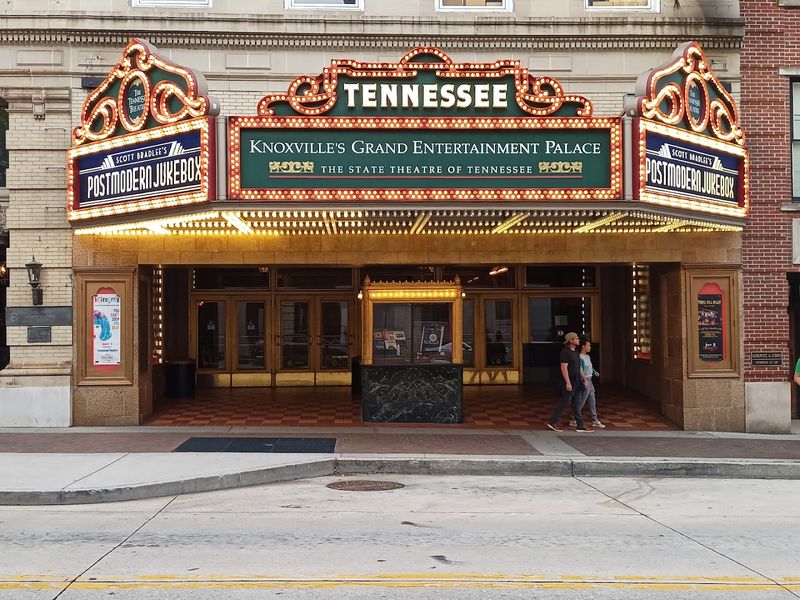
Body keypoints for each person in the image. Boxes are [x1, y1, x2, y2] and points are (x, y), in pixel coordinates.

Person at [546, 332, 594, 432]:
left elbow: (579, 367)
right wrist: (568, 382)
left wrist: (584, 378)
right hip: (569, 381)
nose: (578, 340)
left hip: (576, 381)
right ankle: (553, 421)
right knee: (565, 402)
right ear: (571, 341)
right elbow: (564, 368)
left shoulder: (576, 352)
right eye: (576, 338)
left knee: (576, 403)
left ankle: (580, 425)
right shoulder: (565, 352)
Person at [570, 337, 605, 429]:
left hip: (590, 380)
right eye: (588, 345)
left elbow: (589, 367)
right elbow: (580, 369)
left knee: (592, 400)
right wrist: (585, 379)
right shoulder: (579, 357)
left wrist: (594, 371)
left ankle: (594, 419)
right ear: (583, 346)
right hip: (584, 381)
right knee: (582, 400)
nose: (590, 347)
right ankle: (574, 418)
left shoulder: (587, 357)